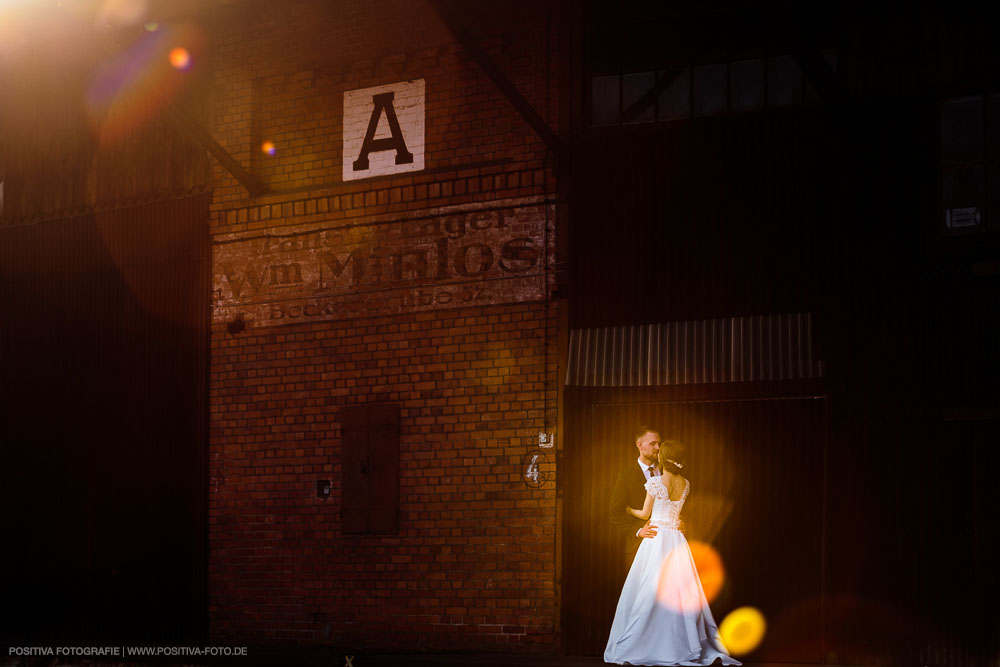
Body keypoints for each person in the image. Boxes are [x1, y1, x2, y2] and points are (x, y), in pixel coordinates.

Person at [605, 440, 740, 666]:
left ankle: (645, 643)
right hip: (677, 540)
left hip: (657, 539)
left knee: (650, 590)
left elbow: (645, 513)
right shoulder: (685, 483)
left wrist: (628, 509)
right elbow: (677, 510)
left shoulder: (656, 482)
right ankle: (681, 641)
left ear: (662, 459)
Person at [609, 426, 663, 575]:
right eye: (653, 444)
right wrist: (638, 531)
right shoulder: (626, 475)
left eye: (659, 443)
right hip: (638, 546)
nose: (658, 448)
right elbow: (615, 513)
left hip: (666, 546)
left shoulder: (668, 471)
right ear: (639, 445)